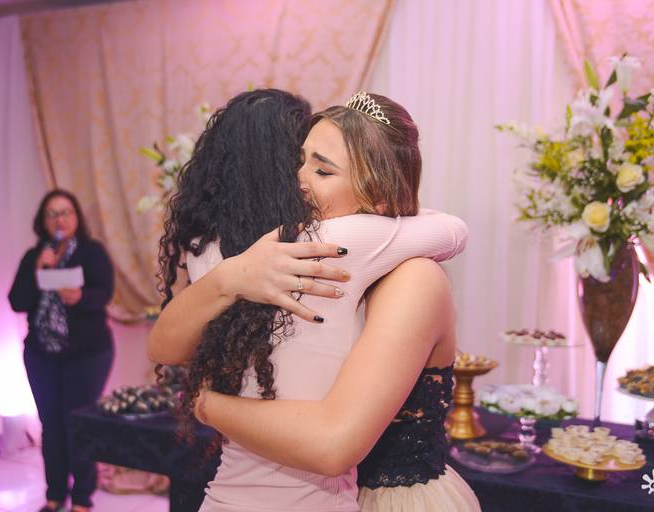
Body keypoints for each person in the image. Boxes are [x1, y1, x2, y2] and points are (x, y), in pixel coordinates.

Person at [149, 91, 475, 511]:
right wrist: (231, 277)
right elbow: (165, 344)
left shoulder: (403, 273)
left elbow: (331, 444)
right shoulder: (284, 261)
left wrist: (205, 403)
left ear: (378, 196)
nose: (297, 179)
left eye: (322, 170)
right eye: (297, 162)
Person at [9, 189, 114, 512]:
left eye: (66, 212)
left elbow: (105, 293)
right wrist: (37, 272)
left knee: (76, 424)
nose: (60, 219)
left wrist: (81, 297)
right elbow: (17, 301)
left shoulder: (92, 252)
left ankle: (81, 498)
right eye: (52, 214)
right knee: (51, 425)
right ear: (43, 221)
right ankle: (55, 494)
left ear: (76, 217)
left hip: (86, 355)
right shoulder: (34, 255)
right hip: (41, 355)